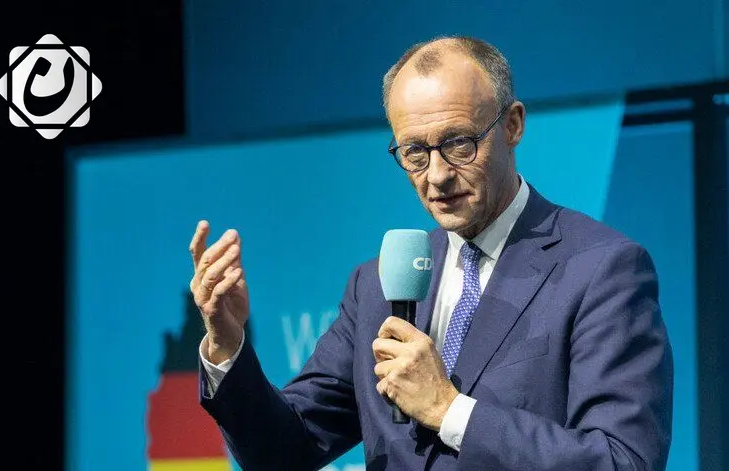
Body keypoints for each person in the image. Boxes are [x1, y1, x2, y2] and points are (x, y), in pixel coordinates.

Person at [188, 36, 673, 470]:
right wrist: (227, 345)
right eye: (414, 152)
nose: (436, 176)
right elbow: (281, 452)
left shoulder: (600, 269)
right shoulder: (375, 285)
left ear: (512, 125)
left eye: (459, 144)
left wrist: (449, 410)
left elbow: (622, 460)